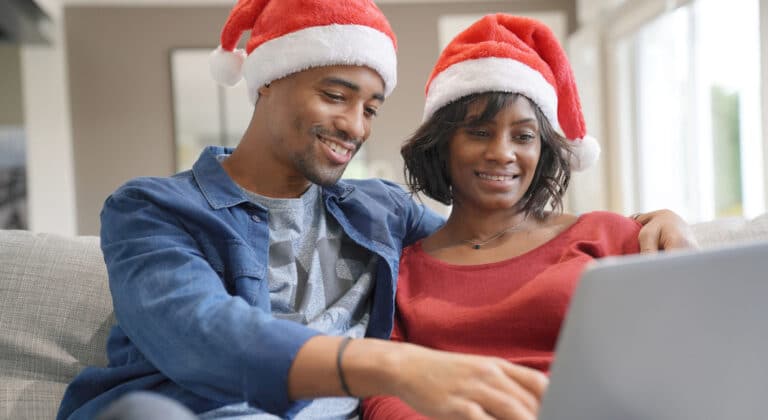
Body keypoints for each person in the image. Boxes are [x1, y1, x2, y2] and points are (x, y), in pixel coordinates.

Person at [56, 2, 694, 420]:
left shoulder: (380, 212)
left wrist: (640, 226)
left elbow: (491, 239)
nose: (354, 125)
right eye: (336, 95)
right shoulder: (153, 208)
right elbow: (203, 336)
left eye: (371, 107)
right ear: (268, 80)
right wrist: (396, 366)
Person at [362, 13, 673, 419]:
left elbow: (680, 343)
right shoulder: (401, 273)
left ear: (543, 149)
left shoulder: (608, 235)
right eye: (479, 132)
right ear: (442, 145)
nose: (503, 153)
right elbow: (384, 392)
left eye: (524, 136)